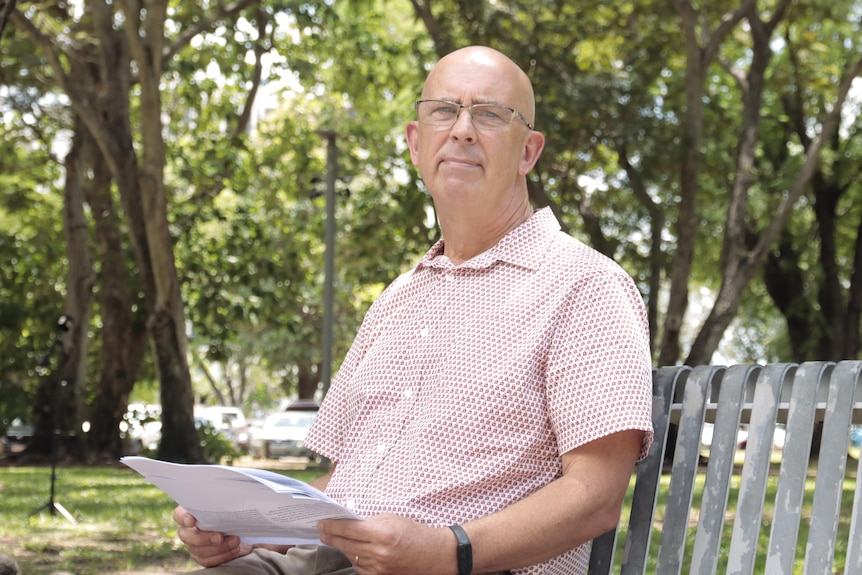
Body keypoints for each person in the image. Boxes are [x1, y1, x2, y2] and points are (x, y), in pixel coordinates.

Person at [174, 45, 654, 575]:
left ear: (528, 152)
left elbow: (595, 495)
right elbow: (348, 480)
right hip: (327, 560)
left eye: (490, 114)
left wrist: (449, 551)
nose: (463, 130)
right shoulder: (397, 299)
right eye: (444, 111)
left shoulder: (585, 286)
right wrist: (250, 528)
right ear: (415, 142)